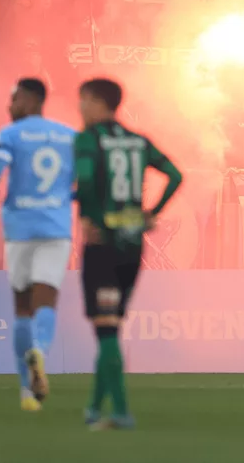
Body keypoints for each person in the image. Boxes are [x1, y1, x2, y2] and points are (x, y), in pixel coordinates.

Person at [74, 77, 184, 430]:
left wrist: (88, 216)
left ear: (96, 102)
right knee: (111, 328)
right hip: (132, 245)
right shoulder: (138, 142)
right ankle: (93, 410)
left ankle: (120, 411)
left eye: (83, 101)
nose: (80, 109)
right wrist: (153, 213)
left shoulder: (88, 140)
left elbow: (87, 181)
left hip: (103, 243)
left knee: (105, 330)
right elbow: (175, 174)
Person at [0, 78, 76, 412]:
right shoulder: (68, 136)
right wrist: (65, 198)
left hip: (20, 228)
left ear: (32, 100)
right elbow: (84, 180)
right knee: (46, 299)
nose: (10, 106)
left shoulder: (10, 135)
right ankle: (41, 350)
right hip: (55, 228)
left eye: (15, 99)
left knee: (22, 307)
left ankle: (26, 392)